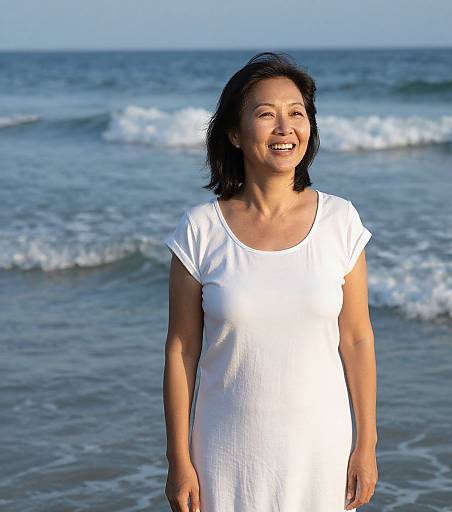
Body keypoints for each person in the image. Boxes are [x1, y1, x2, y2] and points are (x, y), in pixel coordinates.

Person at [163, 51, 378, 512]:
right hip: (225, 451)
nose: (285, 128)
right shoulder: (200, 230)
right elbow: (181, 348)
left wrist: (367, 445)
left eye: (296, 113)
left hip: (321, 449)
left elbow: (357, 339)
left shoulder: (340, 220)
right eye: (266, 114)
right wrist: (178, 458)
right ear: (235, 134)